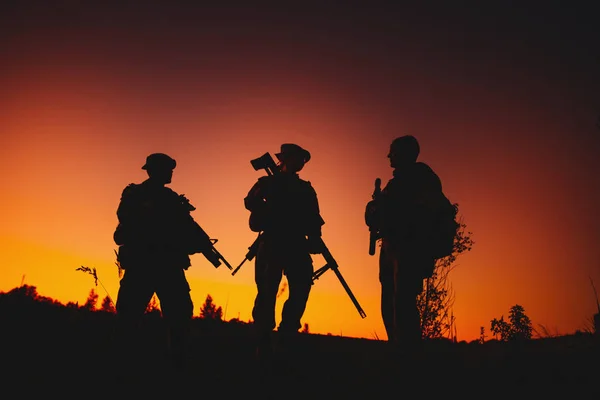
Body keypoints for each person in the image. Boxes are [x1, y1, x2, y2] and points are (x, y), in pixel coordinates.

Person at [112, 153, 202, 374]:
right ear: (155, 171)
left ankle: (174, 365)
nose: (171, 173)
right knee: (129, 315)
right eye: (167, 169)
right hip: (144, 264)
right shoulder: (136, 194)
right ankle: (125, 366)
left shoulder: (173, 199)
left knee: (179, 315)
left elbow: (187, 232)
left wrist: (193, 243)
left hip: (167, 266)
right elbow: (127, 220)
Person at [244, 143, 325, 358]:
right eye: (298, 158)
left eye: (303, 160)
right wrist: (270, 209)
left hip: (296, 244)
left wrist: (316, 239)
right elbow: (249, 201)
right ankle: (263, 340)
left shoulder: (306, 188)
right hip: (272, 242)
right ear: (285, 159)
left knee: (301, 288)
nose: (301, 164)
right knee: (267, 293)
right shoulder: (268, 182)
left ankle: (286, 335)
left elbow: (314, 218)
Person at [365, 135, 445, 353]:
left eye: (393, 151)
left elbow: (426, 212)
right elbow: (381, 214)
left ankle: (407, 355)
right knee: (389, 301)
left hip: (409, 248)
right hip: (391, 247)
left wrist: (395, 212)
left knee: (403, 302)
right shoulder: (394, 183)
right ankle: (396, 349)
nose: (388, 156)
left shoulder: (422, 177)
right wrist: (374, 209)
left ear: (406, 153)